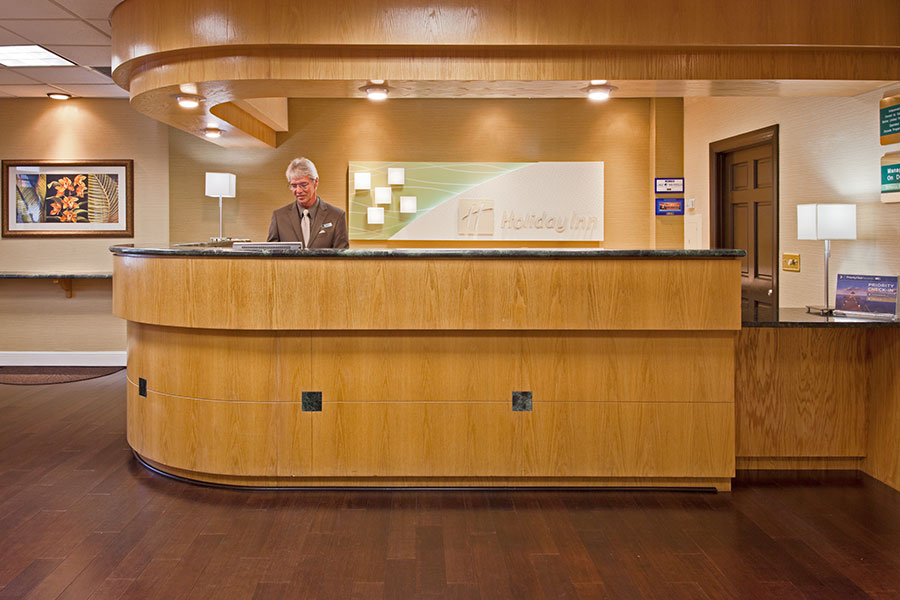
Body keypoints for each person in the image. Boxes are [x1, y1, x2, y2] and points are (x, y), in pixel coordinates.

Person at [267, 157, 349, 248]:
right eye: (294, 186)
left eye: (303, 185)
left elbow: (342, 259)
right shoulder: (279, 217)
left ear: (316, 182)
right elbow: (271, 258)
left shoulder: (336, 216)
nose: (298, 190)